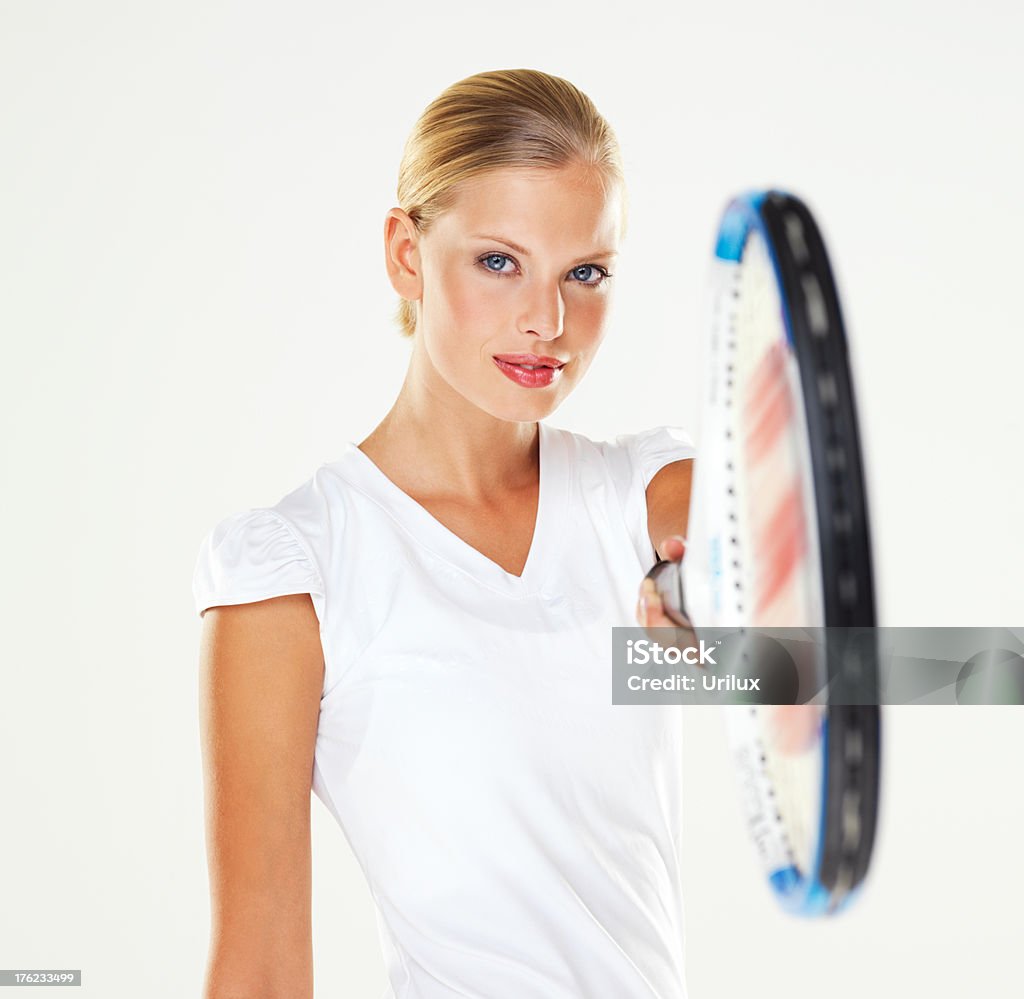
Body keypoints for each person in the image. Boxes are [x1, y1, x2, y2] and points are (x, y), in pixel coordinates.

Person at [192, 67, 695, 999]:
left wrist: (727, 613)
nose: (549, 322)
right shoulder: (297, 575)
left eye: (585, 272)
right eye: (498, 261)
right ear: (405, 253)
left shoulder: (636, 500)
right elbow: (258, 972)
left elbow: (804, 671)